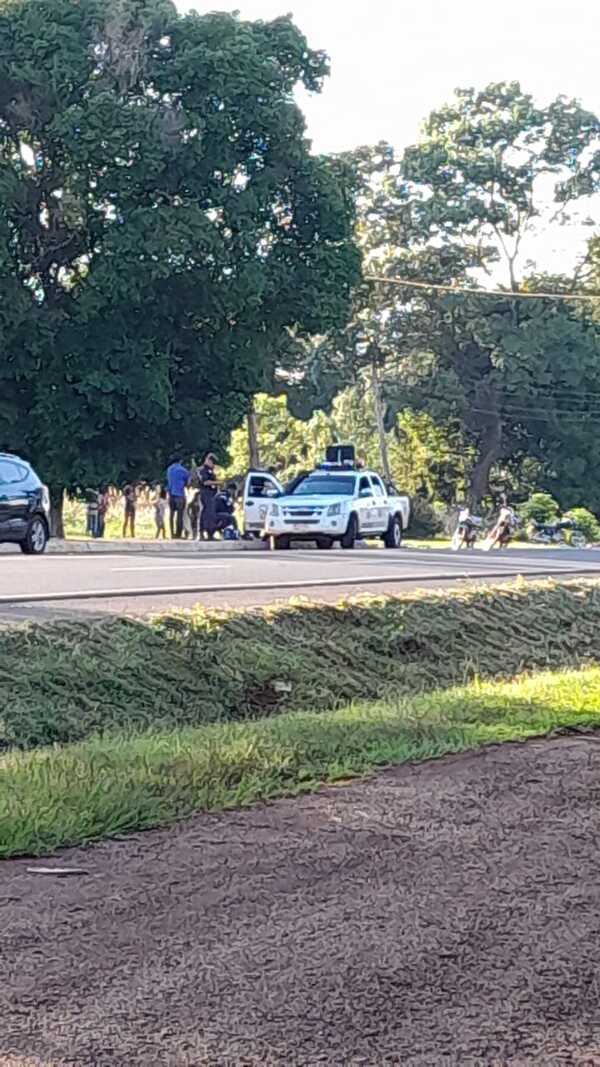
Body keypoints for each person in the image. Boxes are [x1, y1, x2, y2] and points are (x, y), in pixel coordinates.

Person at [166, 455, 189, 539]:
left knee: (171, 515)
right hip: (179, 495)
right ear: (180, 461)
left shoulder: (169, 469)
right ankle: (178, 534)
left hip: (171, 494)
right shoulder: (183, 470)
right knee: (180, 515)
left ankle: (172, 533)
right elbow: (187, 482)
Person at [198, 452, 219, 540]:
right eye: (213, 463)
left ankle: (211, 533)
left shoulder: (210, 471)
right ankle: (203, 531)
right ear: (208, 461)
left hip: (211, 494)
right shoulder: (203, 471)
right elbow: (205, 482)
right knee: (207, 513)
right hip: (206, 493)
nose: (214, 465)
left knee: (211, 514)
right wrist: (218, 483)